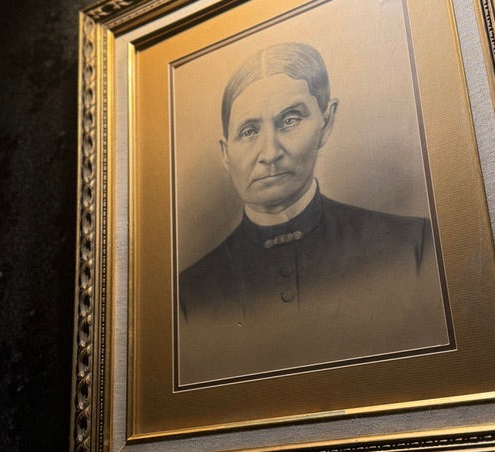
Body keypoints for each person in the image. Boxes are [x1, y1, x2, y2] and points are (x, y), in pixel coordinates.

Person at [177, 42, 449, 383]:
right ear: (225, 152)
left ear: (327, 120)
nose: (270, 153)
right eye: (249, 131)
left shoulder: (412, 246)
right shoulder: (188, 295)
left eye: (289, 120)